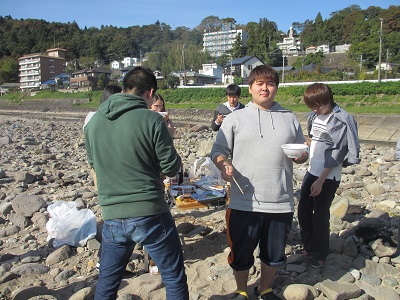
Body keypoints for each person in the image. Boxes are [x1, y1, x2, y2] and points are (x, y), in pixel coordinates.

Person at [84, 66, 189, 300]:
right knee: (173, 276)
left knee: (108, 282)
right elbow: (172, 168)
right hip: (149, 211)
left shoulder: (93, 122)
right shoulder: (151, 119)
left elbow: (94, 164)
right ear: (150, 92)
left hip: (112, 213)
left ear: (125, 87)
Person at [210, 65, 308, 300]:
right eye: (259, 84)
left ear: (276, 87)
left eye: (270, 83)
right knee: (241, 253)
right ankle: (242, 290)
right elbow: (218, 150)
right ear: (251, 87)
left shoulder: (289, 118)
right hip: (244, 201)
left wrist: (302, 156)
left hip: (280, 200)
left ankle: (265, 288)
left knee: (274, 254)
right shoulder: (235, 119)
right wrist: (223, 166)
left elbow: (302, 152)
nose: (265, 88)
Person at [298, 83, 360, 268]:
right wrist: (301, 145)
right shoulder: (314, 117)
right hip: (312, 170)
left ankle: (320, 254)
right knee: (303, 211)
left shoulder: (339, 120)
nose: (316, 109)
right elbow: (315, 140)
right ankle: (309, 247)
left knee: (320, 215)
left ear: (328, 100)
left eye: (319, 106)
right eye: (312, 106)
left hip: (328, 176)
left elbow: (337, 154)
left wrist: (320, 180)